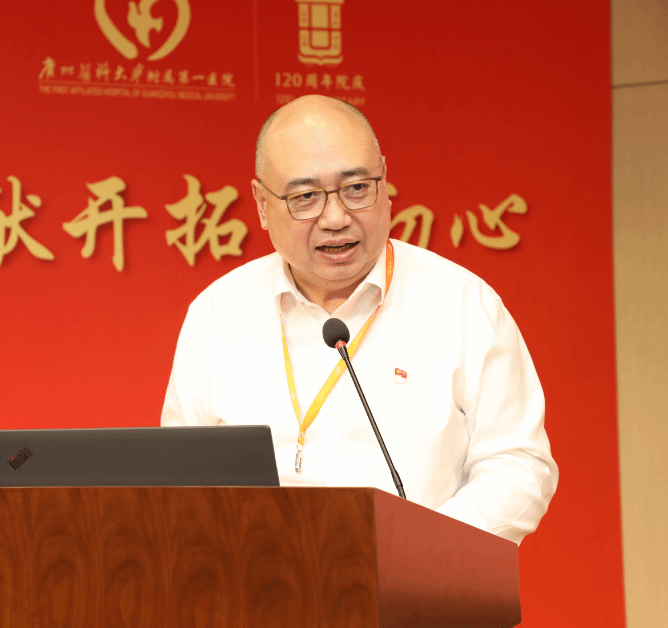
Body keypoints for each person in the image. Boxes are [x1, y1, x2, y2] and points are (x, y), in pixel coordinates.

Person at [161, 95, 557, 544]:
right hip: (257, 578)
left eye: (356, 188)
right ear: (262, 204)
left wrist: (425, 546)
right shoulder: (218, 312)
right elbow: (179, 475)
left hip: (418, 577)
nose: (335, 218)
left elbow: (519, 465)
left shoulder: (462, 304)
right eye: (305, 197)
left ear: (384, 181)